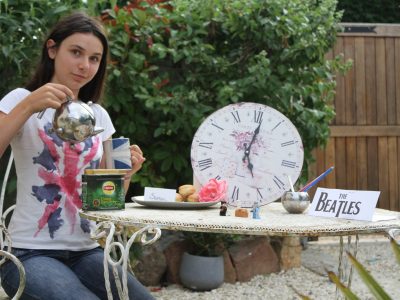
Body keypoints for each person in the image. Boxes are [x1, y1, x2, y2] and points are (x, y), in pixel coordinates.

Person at [0, 11, 154, 300]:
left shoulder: (98, 116)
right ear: (52, 49)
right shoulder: (22, 99)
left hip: (87, 251)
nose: (85, 66)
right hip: (28, 254)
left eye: (94, 59)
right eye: (76, 52)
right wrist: (29, 105)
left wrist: (126, 173)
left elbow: (108, 202)